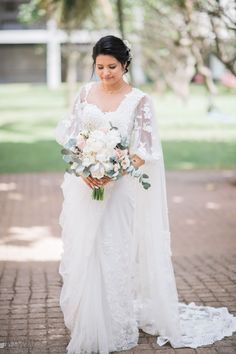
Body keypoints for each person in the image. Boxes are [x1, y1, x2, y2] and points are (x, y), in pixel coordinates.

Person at [55, 35, 236, 354]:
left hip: (120, 187)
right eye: (100, 67)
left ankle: (116, 325)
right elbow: (71, 136)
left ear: (125, 65)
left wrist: (111, 170)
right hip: (84, 187)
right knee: (84, 249)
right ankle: (88, 319)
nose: (106, 73)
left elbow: (146, 150)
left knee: (113, 251)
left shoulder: (139, 100)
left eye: (112, 67)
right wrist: (86, 170)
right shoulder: (85, 93)